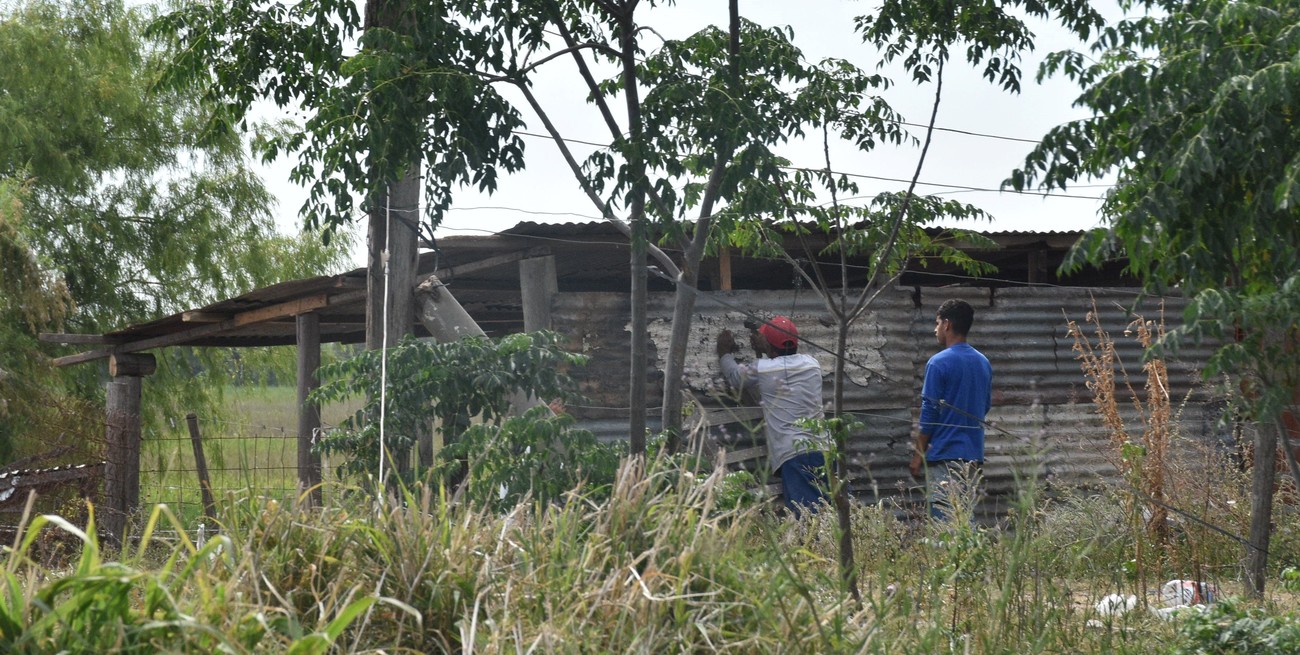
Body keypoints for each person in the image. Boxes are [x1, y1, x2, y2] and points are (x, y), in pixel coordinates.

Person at [717, 315, 830, 515]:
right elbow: (781, 367)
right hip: (824, 448)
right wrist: (765, 349)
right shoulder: (812, 363)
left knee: (808, 517)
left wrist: (725, 353)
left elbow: (736, 378)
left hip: (794, 454)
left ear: (770, 347)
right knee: (836, 510)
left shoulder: (763, 368)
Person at [910, 299, 993, 520]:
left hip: (945, 457)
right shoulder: (983, 362)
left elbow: (929, 413)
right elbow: (985, 406)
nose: (934, 329)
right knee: (965, 521)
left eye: (937, 323)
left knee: (945, 526)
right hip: (972, 458)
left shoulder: (938, 363)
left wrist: (917, 456)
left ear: (947, 324)